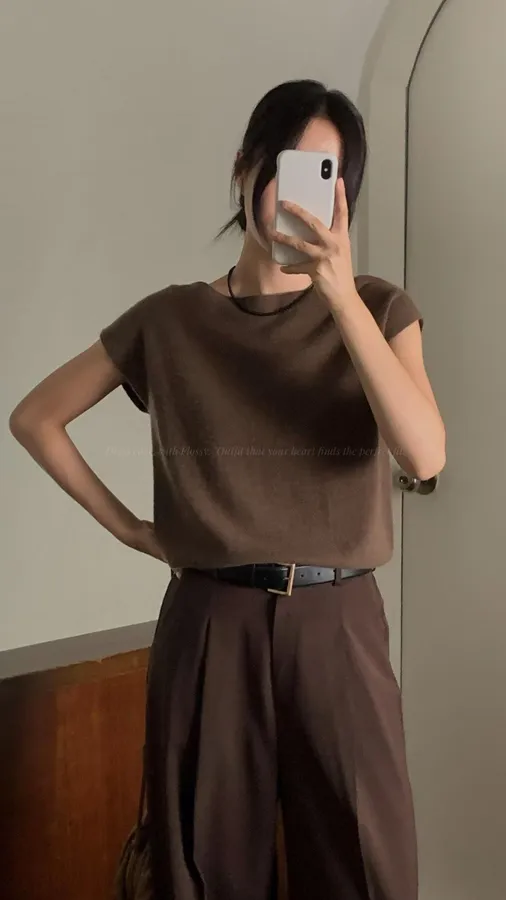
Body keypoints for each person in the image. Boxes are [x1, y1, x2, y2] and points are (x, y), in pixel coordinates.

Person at [9, 79, 445, 900]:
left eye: (329, 176)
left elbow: (423, 456)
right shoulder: (169, 320)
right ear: (244, 168)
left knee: (366, 868)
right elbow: (35, 418)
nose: (305, 195)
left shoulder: (380, 309)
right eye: (290, 166)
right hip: (210, 620)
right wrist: (134, 531)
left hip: (340, 623)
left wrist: (339, 295)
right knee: (206, 871)